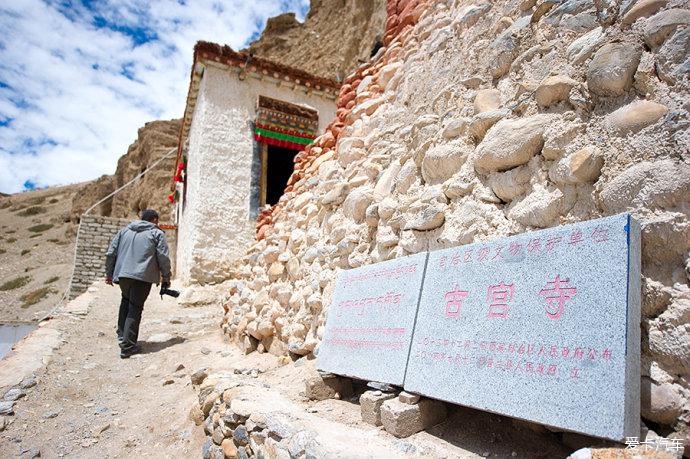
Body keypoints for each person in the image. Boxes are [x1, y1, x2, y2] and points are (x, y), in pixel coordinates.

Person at [105, 209, 171, 358]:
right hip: (142, 276)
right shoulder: (156, 233)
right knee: (135, 307)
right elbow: (163, 257)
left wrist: (109, 274)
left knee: (126, 301)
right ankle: (128, 347)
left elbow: (111, 253)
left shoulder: (124, 231)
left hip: (123, 275)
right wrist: (166, 277)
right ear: (154, 220)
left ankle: (122, 336)